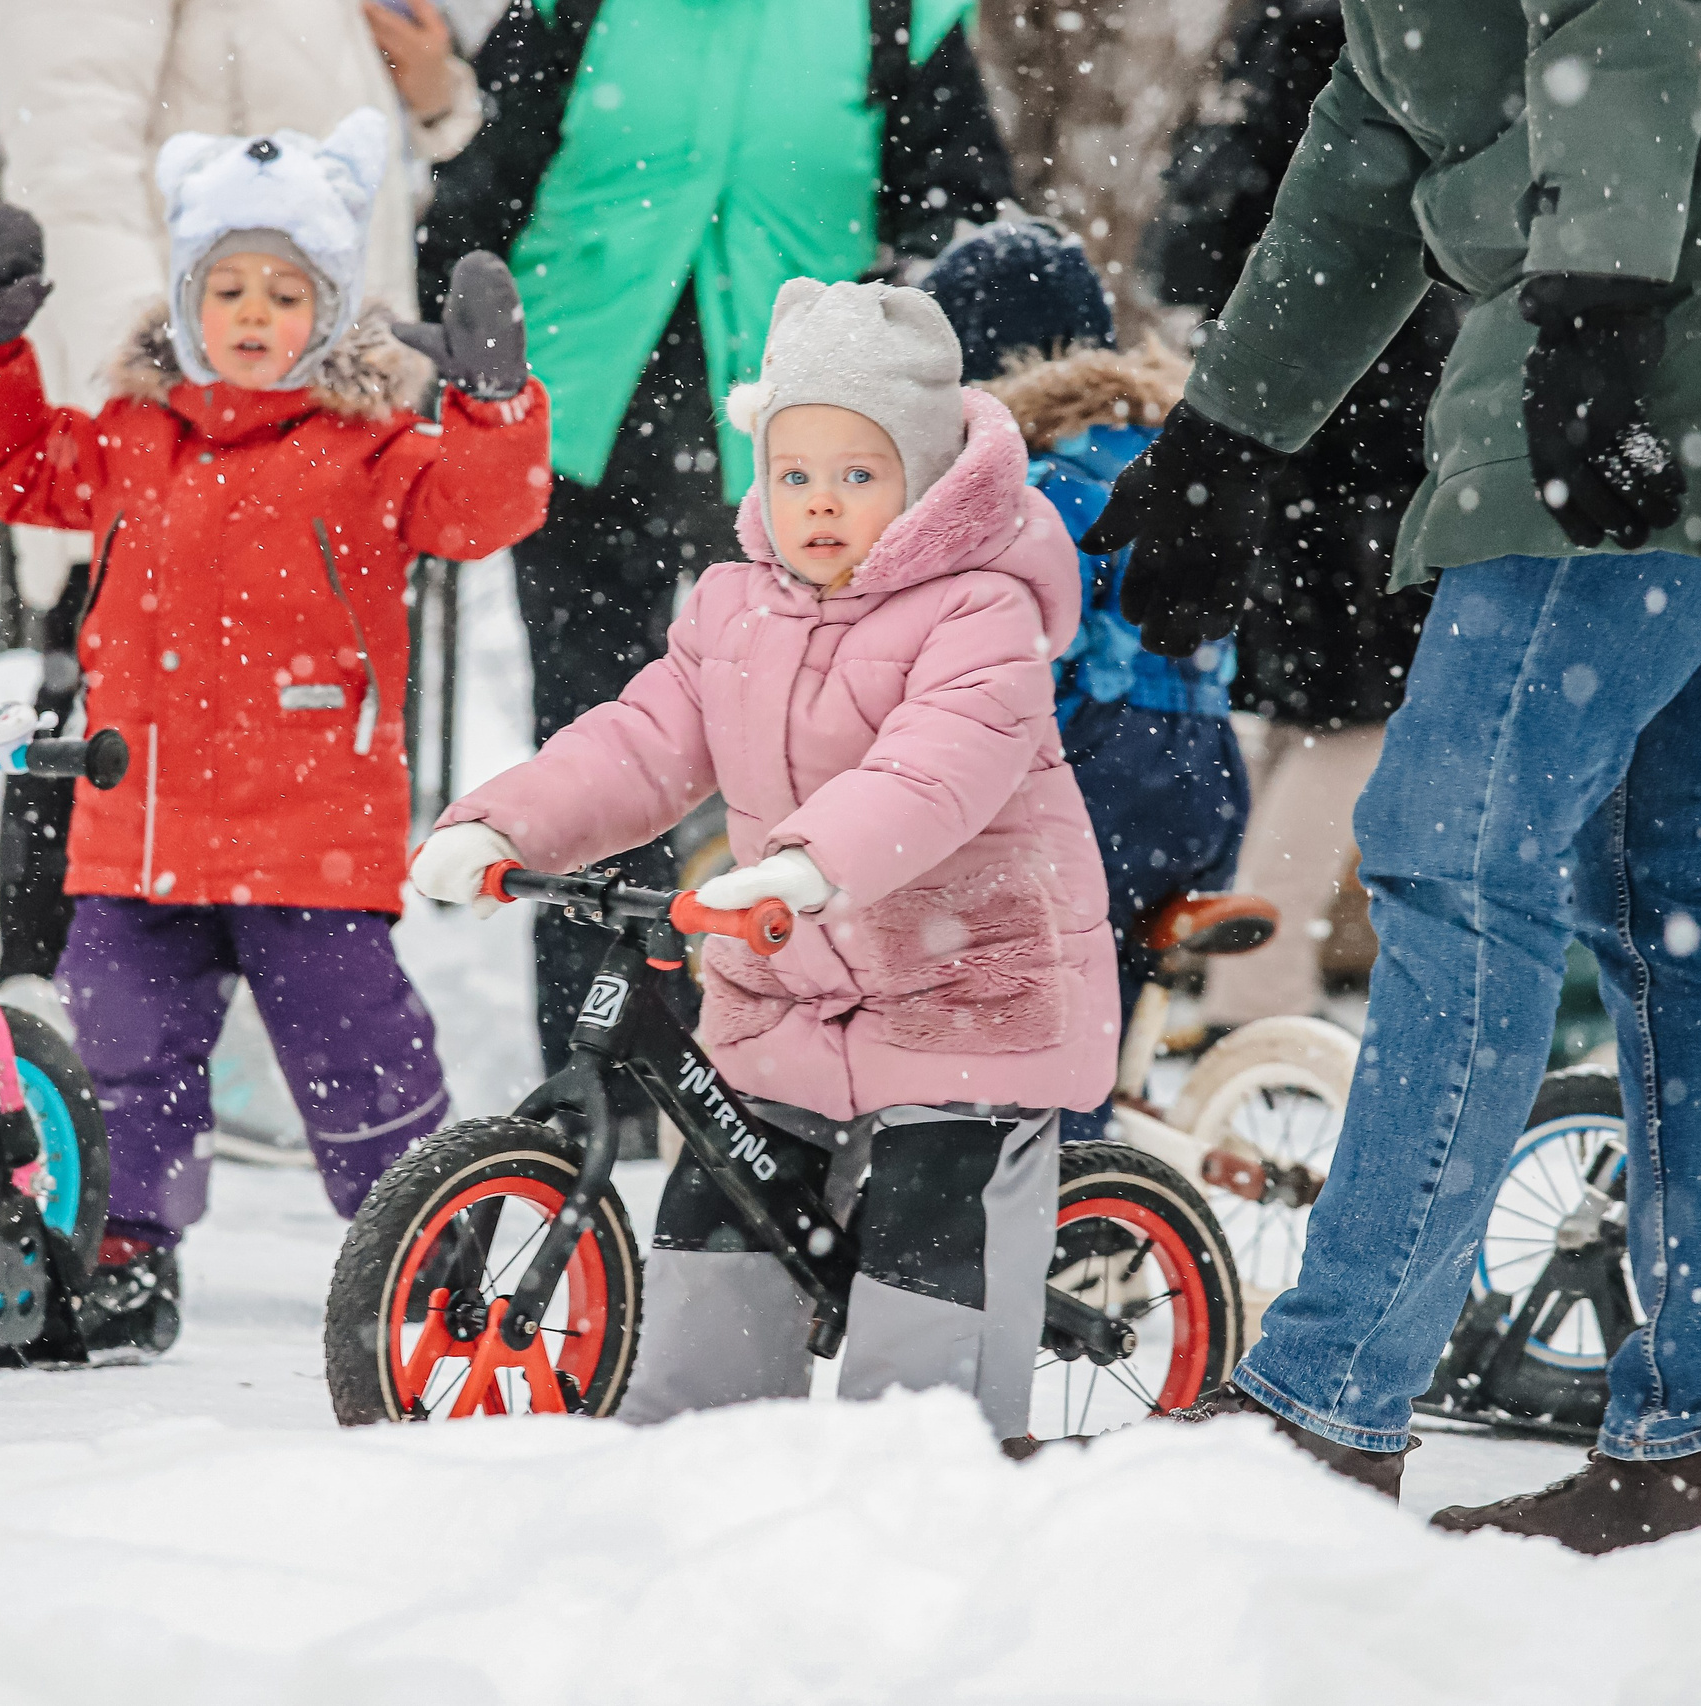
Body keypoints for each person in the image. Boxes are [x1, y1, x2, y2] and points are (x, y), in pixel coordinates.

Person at [1085, 0, 1701, 1550]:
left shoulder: (1631, 259)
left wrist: (1601, 313)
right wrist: (1227, 435)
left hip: (1676, 359)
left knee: (1460, 852)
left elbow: (1622, 31)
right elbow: (1379, 124)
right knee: (1677, 879)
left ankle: (1327, 1405)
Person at [408, 281, 1113, 1440]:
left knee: (931, 1240)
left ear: (928, 480)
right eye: (794, 474)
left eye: (857, 473)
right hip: (797, 979)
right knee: (719, 1217)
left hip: (968, 977)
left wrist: (806, 863)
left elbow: (935, 770)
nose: (820, 504)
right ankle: (702, 1458)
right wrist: (504, 825)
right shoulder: (734, 609)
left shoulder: (980, 611)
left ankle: (926, 1480)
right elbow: (639, 742)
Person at [0, 112, 553, 1349]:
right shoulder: (129, 439)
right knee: (120, 1054)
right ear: (185, 299)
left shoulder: (371, 450)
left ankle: (428, 1240)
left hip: (306, 834)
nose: (255, 311)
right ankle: (121, 1256)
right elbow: (14, 471)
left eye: (286, 288)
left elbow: (485, 509)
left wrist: (492, 401)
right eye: (228, 286)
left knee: (357, 1053)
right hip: (138, 831)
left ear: (329, 310)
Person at [419, 0, 1015, 1121]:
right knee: (599, 752)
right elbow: (481, 183)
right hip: (585, 420)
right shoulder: (572, 8)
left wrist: (910, 333)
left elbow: (959, 206)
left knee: (826, 753)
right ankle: (601, 1080)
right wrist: (460, 335)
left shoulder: (893, 15)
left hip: (813, 451)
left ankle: (814, 1075)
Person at [0, 0, 488, 1024]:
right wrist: (171, 386)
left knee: (287, 732)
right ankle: (53, 1035)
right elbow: (72, 147)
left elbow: (370, 140)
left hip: (313, 424)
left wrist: (441, 106)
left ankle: (222, 1036)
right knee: (106, 711)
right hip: (172, 421)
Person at [1139, 0, 1449, 1034]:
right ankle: (1254, 992)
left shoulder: (1275, 36)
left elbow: (1200, 236)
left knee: (1303, 724)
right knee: (1348, 725)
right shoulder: (1335, 34)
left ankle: (1223, 964)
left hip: (1290, 431)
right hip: (1353, 435)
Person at [927, 222, 1247, 1085]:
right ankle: (1109, 1153)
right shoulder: (1176, 461)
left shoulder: (1032, 486)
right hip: (1204, 791)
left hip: (1099, 783)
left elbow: (1019, 661)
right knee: (1100, 974)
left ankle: (1060, 1179)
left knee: (1017, 994)